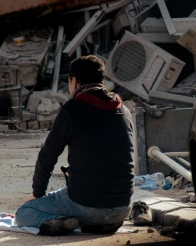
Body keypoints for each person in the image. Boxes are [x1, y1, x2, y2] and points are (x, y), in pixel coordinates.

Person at [15, 55, 135, 236]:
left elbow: (48, 155)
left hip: (86, 205)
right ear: (101, 80)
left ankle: (61, 223)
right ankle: (101, 224)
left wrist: (37, 193)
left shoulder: (72, 109)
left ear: (74, 81)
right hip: (123, 207)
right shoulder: (123, 110)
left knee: (24, 212)